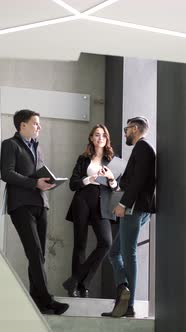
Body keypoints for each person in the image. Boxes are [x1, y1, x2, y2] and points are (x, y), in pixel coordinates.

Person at [0, 109, 69, 315]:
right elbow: (6, 173)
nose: (39, 127)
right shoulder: (9, 145)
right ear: (22, 125)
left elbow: (37, 176)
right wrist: (34, 182)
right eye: (36, 123)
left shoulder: (37, 147)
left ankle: (36, 299)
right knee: (35, 252)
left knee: (39, 255)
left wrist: (47, 182)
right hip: (21, 205)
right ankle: (47, 299)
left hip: (41, 204)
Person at [102, 116, 156, 318]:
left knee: (128, 254)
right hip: (138, 208)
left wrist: (123, 204)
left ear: (134, 128)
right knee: (115, 253)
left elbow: (140, 181)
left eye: (126, 129)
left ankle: (129, 305)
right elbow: (131, 181)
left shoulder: (142, 148)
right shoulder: (142, 149)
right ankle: (123, 290)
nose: (125, 133)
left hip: (134, 208)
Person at [63, 124, 118, 298]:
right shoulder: (83, 159)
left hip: (102, 203)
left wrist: (110, 178)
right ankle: (76, 288)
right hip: (82, 200)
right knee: (80, 244)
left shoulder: (113, 161)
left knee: (106, 243)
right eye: (96, 135)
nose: (100, 138)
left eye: (103, 135)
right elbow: (73, 184)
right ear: (91, 138)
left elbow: (117, 188)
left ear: (106, 139)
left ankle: (80, 281)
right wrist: (88, 179)